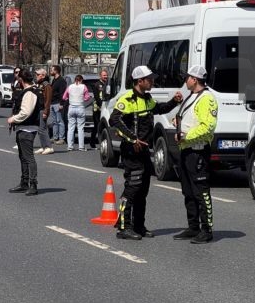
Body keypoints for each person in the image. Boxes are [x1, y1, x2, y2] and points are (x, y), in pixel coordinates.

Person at [110, 65, 182, 240]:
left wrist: (174, 101)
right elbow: (114, 119)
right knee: (132, 189)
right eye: (149, 79)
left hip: (144, 151)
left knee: (143, 190)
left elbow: (160, 109)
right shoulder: (127, 98)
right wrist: (132, 138)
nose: (152, 82)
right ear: (139, 81)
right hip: (131, 151)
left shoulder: (148, 98)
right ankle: (123, 227)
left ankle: (139, 226)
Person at [172, 65, 217, 244]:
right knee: (188, 191)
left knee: (201, 192)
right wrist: (178, 123)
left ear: (195, 79)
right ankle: (193, 227)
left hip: (197, 151)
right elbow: (189, 118)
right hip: (186, 150)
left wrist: (185, 135)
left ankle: (206, 230)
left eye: (187, 77)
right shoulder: (192, 96)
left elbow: (207, 126)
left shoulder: (207, 98)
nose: (185, 80)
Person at [7, 69, 43, 196]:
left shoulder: (29, 92)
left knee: (28, 157)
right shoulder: (29, 91)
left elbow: (26, 112)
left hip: (28, 129)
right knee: (23, 157)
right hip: (23, 128)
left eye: (18, 78)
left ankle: (33, 184)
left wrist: (13, 119)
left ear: (21, 80)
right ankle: (24, 183)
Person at [63, 74, 91, 151]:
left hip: (71, 108)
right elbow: (87, 97)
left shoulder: (70, 87)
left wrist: (70, 98)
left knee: (71, 128)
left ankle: (70, 146)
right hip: (80, 107)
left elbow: (64, 97)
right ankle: (81, 147)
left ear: (75, 80)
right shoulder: (84, 87)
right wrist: (82, 99)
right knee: (80, 128)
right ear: (81, 80)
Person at [33, 68, 54, 155]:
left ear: (43, 75)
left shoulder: (46, 85)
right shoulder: (39, 84)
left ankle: (49, 147)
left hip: (43, 109)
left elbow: (48, 100)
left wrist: (46, 111)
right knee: (39, 129)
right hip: (38, 109)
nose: (36, 76)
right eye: (36, 74)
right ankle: (43, 146)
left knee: (43, 129)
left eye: (38, 74)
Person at [48, 65, 67, 144]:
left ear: (56, 71)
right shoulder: (54, 80)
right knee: (54, 121)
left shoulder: (61, 81)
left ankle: (61, 138)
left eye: (52, 70)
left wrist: (61, 103)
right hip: (52, 103)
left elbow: (63, 93)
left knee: (60, 121)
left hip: (58, 103)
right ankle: (55, 137)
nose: (50, 71)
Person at [90, 69, 109, 148]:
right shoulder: (97, 84)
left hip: (106, 108)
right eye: (104, 75)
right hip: (97, 109)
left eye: (106, 75)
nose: (105, 77)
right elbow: (97, 97)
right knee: (97, 125)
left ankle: (102, 142)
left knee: (105, 126)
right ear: (100, 76)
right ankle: (93, 142)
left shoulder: (108, 84)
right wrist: (101, 105)